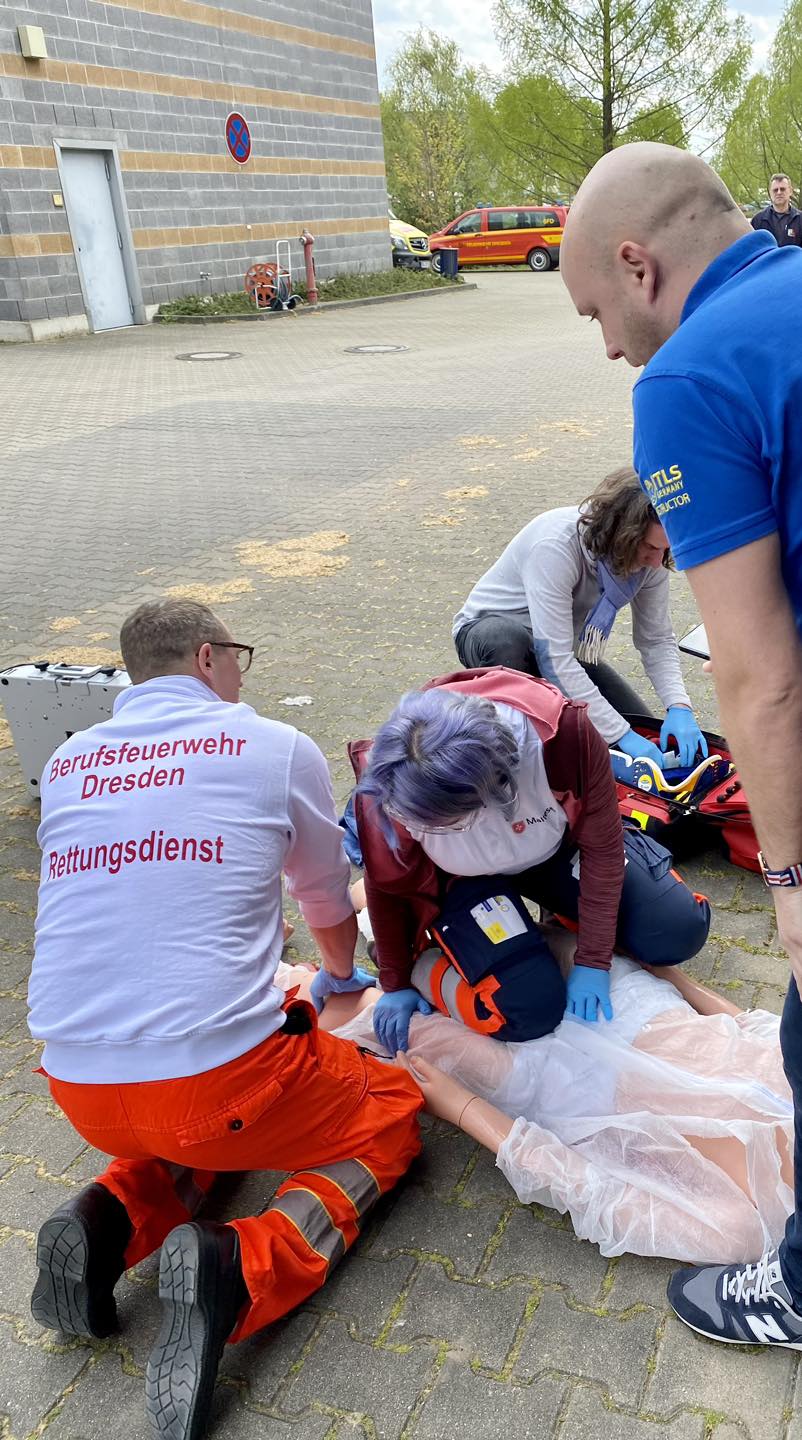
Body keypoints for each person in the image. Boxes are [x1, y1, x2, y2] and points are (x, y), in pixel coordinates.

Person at [28, 598, 423, 1440]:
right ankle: (242, 1269)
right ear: (208, 657)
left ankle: (105, 1220)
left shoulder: (68, 762)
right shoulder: (274, 746)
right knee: (386, 1114)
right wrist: (341, 977)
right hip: (217, 1086)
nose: (241, 673)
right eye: (238, 654)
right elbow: (324, 896)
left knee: (195, 1123)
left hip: (79, 1084)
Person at [560, 140, 802, 1350]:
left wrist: (789, 884)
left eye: (595, 313)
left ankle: (797, 1288)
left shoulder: (690, 375)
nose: (609, 347)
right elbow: (561, 656)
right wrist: (649, 732)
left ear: (637, 265)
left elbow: (758, 674)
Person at [277, 928, 794, 1266]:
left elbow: (590, 1190)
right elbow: (753, 1025)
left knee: (392, 1023)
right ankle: (377, 911)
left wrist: (462, 1108)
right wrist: (668, 975)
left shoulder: (746, 1230)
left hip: (572, 1089)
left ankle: (288, 983)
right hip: (638, 1010)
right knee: (524, 942)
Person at [350, 666, 711, 1054]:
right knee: (527, 1010)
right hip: (464, 881)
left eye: (449, 825)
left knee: (676, 929)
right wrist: (397, 981)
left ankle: (553, 928)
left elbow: (603, 851)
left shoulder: (562, 736)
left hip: (552, 851)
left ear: (492, 790)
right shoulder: (392, 784)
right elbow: (385, 885)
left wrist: (593, 961)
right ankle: (432, 961)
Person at [453, 466, 708, 768]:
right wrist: (619, 736)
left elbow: (656, 640)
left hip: (559, 648)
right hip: (491, 637)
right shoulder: (555, 545)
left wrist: (679, 706)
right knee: (509, 642)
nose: (656, 561)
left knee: (640, 727)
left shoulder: (652, 560)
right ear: (620, 533)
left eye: (664, 549)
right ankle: (512, 752)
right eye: (650, 547)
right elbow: (554, 658)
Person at [751, 173, 802, 248]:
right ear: (770, 193)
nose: (779, 192)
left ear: (790, 191)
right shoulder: (758, 220)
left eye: (782, 189)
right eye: (775, 190)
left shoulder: (800, 219)